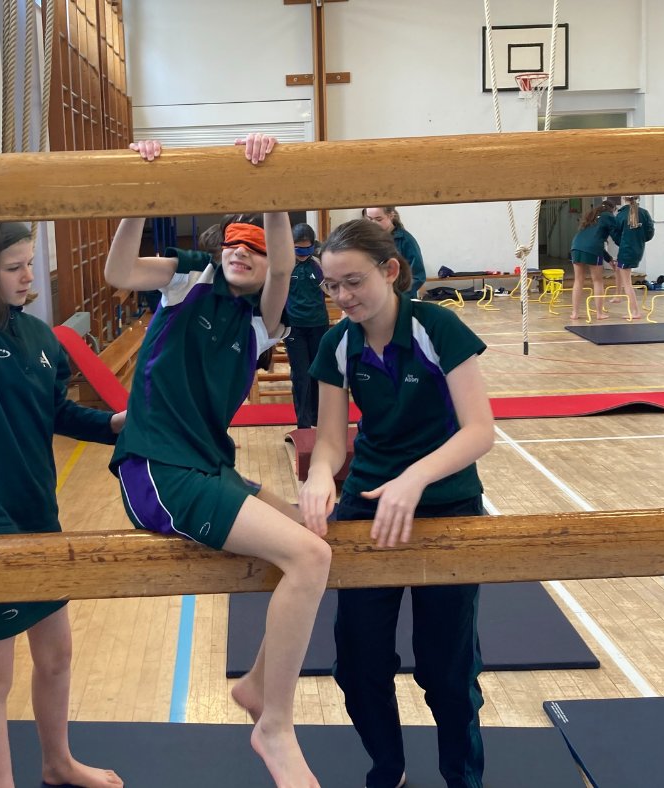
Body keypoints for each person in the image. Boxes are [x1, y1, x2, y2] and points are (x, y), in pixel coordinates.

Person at [106, 136, 331, 788]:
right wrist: (138, 196)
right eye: (235, 242)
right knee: (310, 559)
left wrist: (274, 194)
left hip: (207, 465)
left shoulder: (264, 323)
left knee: (311, 535)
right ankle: (275, 725)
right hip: (157, 468)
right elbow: (120, 271)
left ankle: (260, 685)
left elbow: (286, 269)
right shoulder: (188, 281)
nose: (242, 251)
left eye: (256, 248)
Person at [0, 143, 125, 788]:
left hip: (39, 513)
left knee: (58, 654)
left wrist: (113, 425)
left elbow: (54, 413)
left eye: (30, 265)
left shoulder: (38, 337)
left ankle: (58, 762)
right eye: (14, 268)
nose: (29, 278)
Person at [298, 219, 495, 788]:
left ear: (390, 271)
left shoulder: (437, 327)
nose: (342, 298)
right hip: (369, 507)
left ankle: (463, 778)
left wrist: (415, 478)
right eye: (332, 287)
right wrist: (319, 477)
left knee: (448, 671)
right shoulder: (339, 343)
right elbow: (333, 439)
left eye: (353, 282)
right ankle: (390, 768)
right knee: (357, 668)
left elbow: (478, 430)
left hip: (447, 504)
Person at [285, 223, 330, 429]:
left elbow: (330, 289)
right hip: (295, 327)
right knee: (301, 375)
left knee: (317, 373)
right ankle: (303, 425)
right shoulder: (286, 265)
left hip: (318, 325)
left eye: (306, 248)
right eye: (298, 248)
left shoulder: (318, 265)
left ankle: (318, 420)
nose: (302, 253)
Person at [363, 206, 426, 299]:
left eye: (378, 219)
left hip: (400, 298)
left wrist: (397, 295)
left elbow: (418, 276)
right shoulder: (366, 239)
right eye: (369, 219)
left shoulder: (406, 241)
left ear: (391, 216)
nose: (373, 224)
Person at [569, 201, 617, 321]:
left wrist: (609, 259)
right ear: (613, 209)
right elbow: (614, 236)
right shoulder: (609, 216)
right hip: (593, 249)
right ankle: (599, 313)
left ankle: (575, 313)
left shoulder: (592, 217)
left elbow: (592, 240)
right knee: (597, 281)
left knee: (578, 280)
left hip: (576, 246)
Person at [612, 196, 655, 320]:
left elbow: (615, 234)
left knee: (627, 283)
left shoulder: (621, 215)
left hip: (626, 250)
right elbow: (650, 232)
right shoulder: (644, 213)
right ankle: (618, 295)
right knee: (618, 269)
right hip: (637, 249)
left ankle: (635, 311)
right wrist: (639, 239)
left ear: (623, 199)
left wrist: (623, 241)